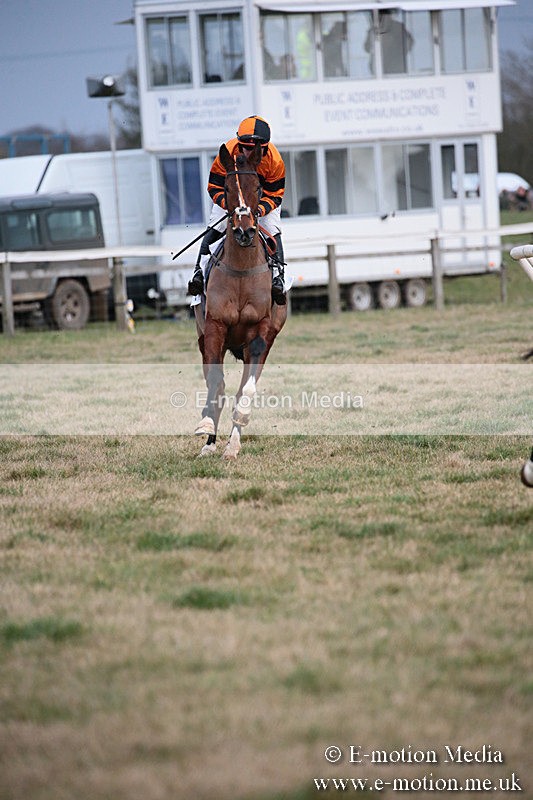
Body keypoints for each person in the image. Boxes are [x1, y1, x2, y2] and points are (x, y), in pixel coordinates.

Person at [188, 115, 286, 305]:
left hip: (262, 200)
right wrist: (231, 206)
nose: (247, 153)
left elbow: (275, 194)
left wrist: (257, 211)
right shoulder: (227, 153)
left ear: (263, 149)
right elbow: (214, 186)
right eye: (244, 147)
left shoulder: (275, 162)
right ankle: (198, 273)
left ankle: (278, 277)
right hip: (231, 198)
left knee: (272, 231)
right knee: (214, 228)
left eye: (253, 149)